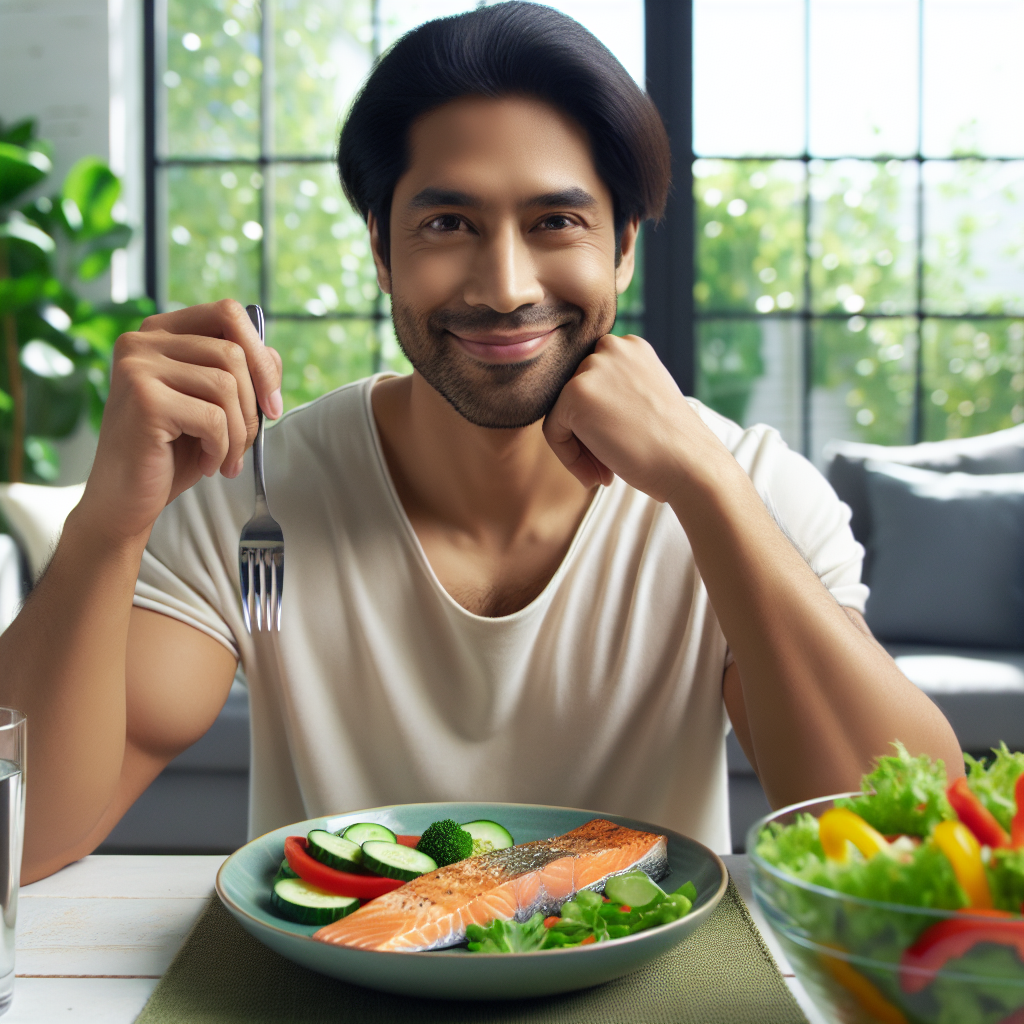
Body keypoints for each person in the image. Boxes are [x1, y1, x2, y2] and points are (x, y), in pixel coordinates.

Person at [0, 2, 960, 884]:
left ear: (624, 245)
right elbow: (25, 836)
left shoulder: (747, 487)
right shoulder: (252, 492)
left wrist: (706, 488)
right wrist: (106, 521)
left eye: (556, 222)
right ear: (381, 248)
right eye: (449, 222)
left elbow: (901, 848)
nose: (504, 285)